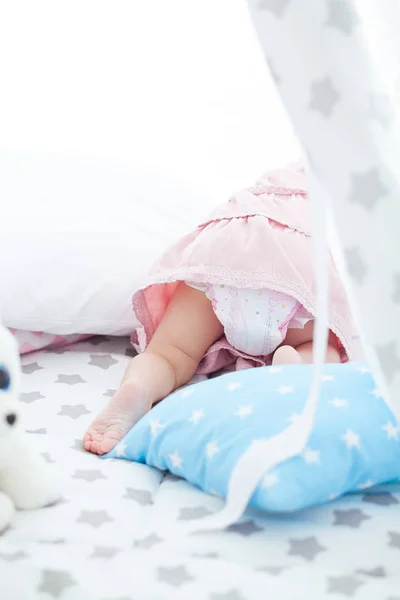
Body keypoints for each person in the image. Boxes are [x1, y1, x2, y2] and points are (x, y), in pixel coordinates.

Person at [84, 163, 355, 455]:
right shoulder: (330, 204)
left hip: (220, 263)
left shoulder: (250, 200)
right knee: (320, 347)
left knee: (169, 355)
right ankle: (297, 364)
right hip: (289, 277)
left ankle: (141, 386)